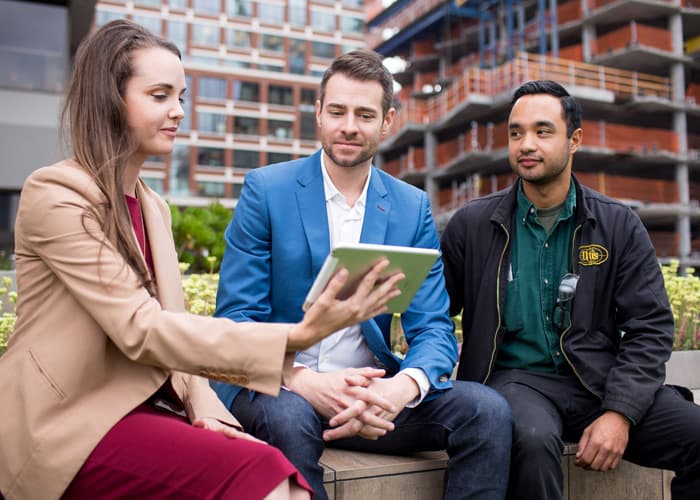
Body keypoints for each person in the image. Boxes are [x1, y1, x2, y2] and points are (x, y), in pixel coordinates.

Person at [0, 20, 404, 500]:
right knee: (268, 481)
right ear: (111, 99)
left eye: (182, 96)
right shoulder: (57, 193)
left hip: (146, 410)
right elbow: (143, 328)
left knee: (283, 480)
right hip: (68, 424)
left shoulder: (153, 207)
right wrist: (296, 338)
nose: (178, 111)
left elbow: (175, 329)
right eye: (159, 95)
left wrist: (205, 407)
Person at [213, 49, 513, 500]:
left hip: (374, 398)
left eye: (364, 114)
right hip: (284, 388)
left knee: (487, 412)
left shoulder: (411, 208)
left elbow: (432, 327)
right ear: (318, 113)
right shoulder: (266, 191)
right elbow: (237, 317)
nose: (349, 126)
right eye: (337, 111)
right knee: (290, 422)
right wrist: (302, 381)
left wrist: (400, 390)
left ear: (387, 121)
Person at [441, 79, 700, 500]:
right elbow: (433, 310)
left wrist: (620, 411)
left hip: (600, 380)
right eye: (516, 132)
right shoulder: (472, 226)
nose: (526, 144)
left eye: (543, 131)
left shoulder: (617, 224)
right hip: (515, 382)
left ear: (574, 139)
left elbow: (651, 328)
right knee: (531, 439)